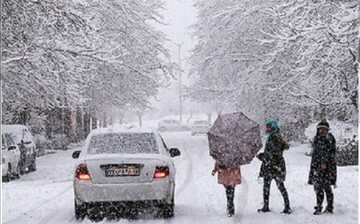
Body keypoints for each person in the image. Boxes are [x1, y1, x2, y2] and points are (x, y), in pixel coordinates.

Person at [256, 119, 291, 214]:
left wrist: (263, 156)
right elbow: (271, 152)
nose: (267, 128)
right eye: (267, 126)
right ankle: (266, 206)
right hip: (272, 165)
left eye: (269, 126)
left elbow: (275, 153)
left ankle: (287, 207)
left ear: (274, 127)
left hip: (274, 166)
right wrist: (263, 155)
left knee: (279, 186)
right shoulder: (272, 136)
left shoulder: (275, 137)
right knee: (268, 186)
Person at [308, 120, 337, 215]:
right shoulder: (317, 138)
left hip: (326, 167)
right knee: (318, 187)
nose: (321, 131)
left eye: (323, 129)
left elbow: (330, 152)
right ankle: (319, 206)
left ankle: (329, 207)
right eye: (320, 129)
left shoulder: (329, 139)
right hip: (316, 166)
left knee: (326, 187)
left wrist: (324, 162)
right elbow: (317, 152)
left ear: (327, 130)